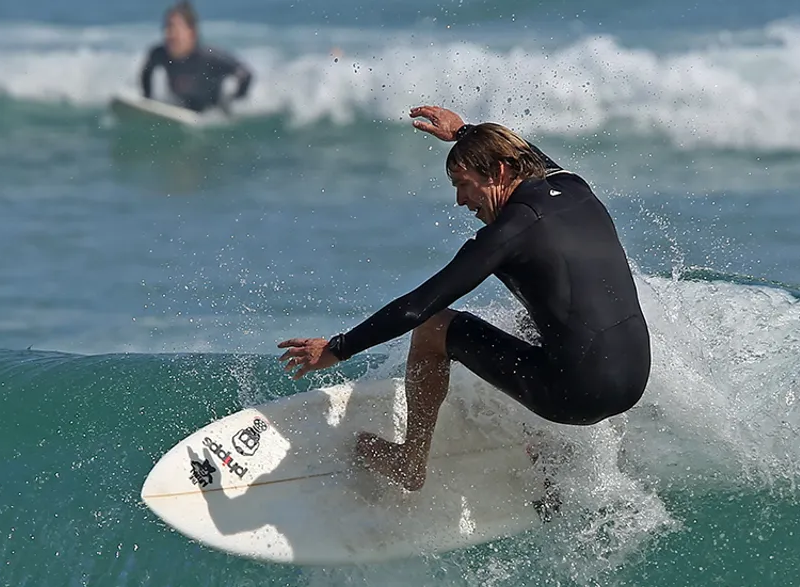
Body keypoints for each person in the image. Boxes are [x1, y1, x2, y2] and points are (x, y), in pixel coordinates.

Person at [278, 106, 651, 492]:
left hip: (576, 396)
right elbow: (529, 154)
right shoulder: (572, 186)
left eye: (464, 184)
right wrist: (463, 132)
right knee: (531, 318)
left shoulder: (512, 231)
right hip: (634, 379)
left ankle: (409, 460)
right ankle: (551, 446)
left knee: (434, 327)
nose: (460, 200)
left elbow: (418, 306)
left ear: (499, 173)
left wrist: (338, 348)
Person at [139, 1, 253, 113]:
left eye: (176, 28)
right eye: (167, 27)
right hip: (181, 107)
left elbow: (245, 74)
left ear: (192, 32)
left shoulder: (210, 57)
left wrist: (235, 100)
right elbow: (146, 72)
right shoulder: (159, 53)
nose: (170, 34)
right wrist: (148, 100)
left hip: (212, 112)